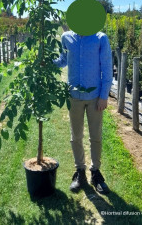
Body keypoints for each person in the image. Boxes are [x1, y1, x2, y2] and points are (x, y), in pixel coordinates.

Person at [52, 29, 113, 194]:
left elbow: (107, 67)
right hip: (74, 96)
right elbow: (63, 60)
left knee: (96, 136)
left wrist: (104, 96)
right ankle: (80, 172)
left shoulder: (100, 38)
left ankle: (95, 173)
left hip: (94, 97)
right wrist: (47, 61)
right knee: (76, 136)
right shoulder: (66, 37)